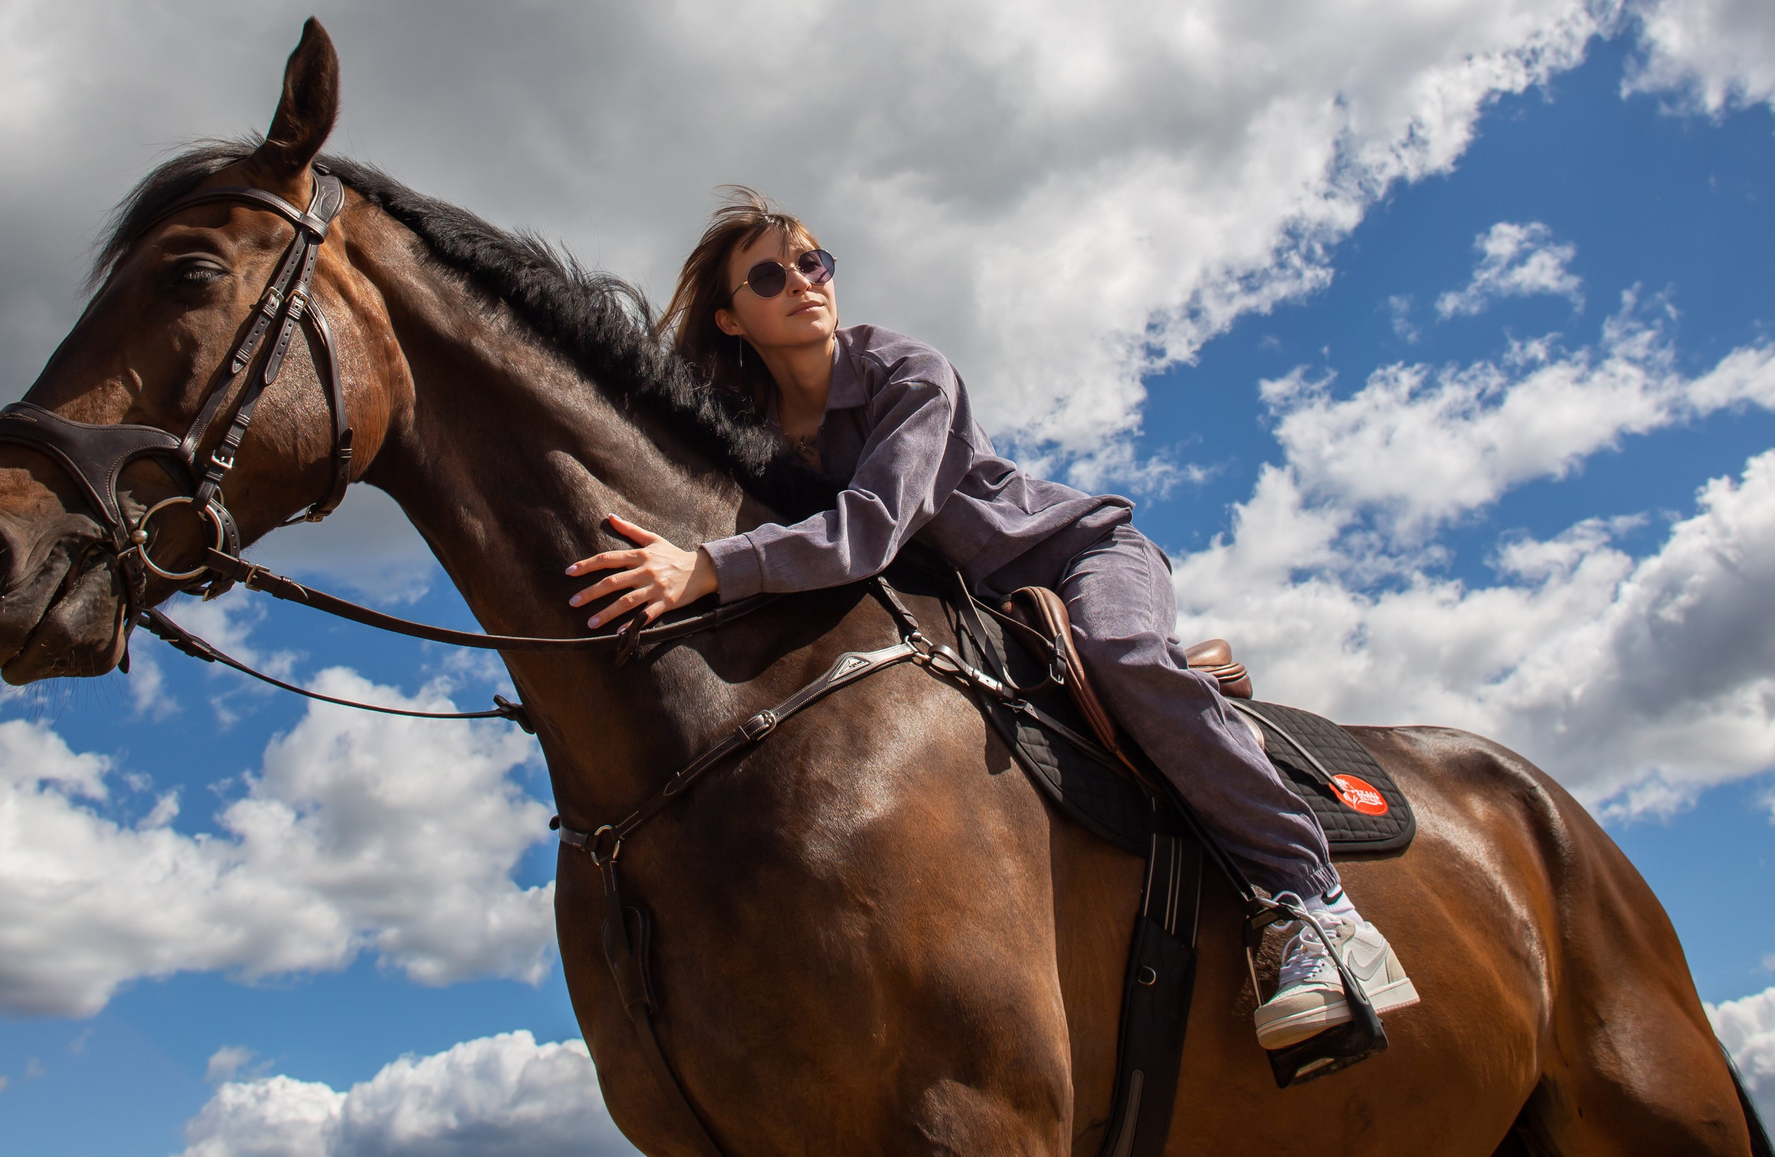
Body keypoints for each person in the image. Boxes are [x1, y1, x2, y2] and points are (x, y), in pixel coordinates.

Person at [563, 188, 1419, 1050]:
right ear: (732, 317)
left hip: (1078, 560)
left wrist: (708, 566)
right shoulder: (754, 433)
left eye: (814, 261)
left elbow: (870, 528)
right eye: (770, 274)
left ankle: (1317, 903)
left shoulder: (910, 372)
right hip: (978, 606)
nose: (803, 280)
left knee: (1120, 652)